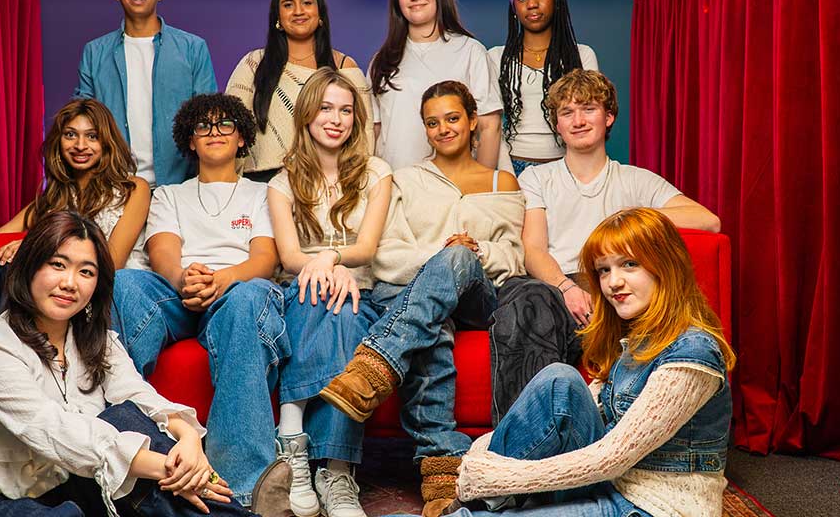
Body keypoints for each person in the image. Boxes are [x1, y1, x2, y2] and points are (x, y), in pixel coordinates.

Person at [319, 81, 560, 517]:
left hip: (481, 299)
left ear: (472, 123)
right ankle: (442, 469)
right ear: (424, 130)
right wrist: (440, 258)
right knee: (435, 318)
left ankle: (374, 367)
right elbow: (386, 254)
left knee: (456, 264)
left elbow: (514, 256)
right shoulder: (406, 180)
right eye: (432, 122)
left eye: (452, 118)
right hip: (424, 300)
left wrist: (474, 253)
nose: (443, 129)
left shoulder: (500, 180)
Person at [0, 210, 252, 517]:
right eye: (57, 264)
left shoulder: (96, 340)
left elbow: (135, 392)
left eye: (86, 271)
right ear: (28, 269)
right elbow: (57, 432)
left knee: (126, 417)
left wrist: (189, 440)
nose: (70, 283)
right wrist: (172, 467)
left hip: (67, 478)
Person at [452, 207, 736, 517]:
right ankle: (478, 503)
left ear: (667, 265)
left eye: (630, 265)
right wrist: (480, 456)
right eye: (604, 270)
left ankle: (476, 504)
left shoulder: (692, 351)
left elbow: (612, 457)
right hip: (613, 487)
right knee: (559, 380)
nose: (614, 282)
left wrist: (495, 477)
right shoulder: (634, 343)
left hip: (652, 508)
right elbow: (570, 409)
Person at [111, 93, 287, 509]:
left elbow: (265, 258)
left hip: (239, 290)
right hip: (179, 289)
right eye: (202, 126)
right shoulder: (171, 195)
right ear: (190, 141)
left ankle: (239, 491)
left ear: (242, 138)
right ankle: (124, 449)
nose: (213, 133)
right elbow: (163, 251)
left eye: (225, 125)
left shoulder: (261, 195)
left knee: (248, 299)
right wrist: (183, 278)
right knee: (123, 283)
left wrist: (223, 279)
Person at [266, 69, 393, 517]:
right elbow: (286, 255)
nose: (336, 119)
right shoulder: (281, 183)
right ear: (306, 115)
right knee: (317, 297)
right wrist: (321, 266)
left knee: (342, 308)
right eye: (325, 108)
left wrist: (330, 260)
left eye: (345, 110)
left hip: (363, 295)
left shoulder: (376, 172)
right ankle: (320, 461)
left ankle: (316, 456)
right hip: (302, 294)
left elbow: (367, 248)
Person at [519, 69, 720, 349]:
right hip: (556, 287)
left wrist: (627, 220)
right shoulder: (536, 177)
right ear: (557, 125)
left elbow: (708, 221)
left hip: (613, 286)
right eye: (567, 113)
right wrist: (566, 289)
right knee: (529, 304)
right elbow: (533, 250)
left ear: (608, 116)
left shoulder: (636, 179)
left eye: (588, 109)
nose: (578, 121)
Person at [0, 98, 150, 269]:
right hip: (61, 297)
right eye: (70, 135)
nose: (80, 145)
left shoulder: (134, 189)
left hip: (117, 293)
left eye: (92, 136)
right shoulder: (51, 200)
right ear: (59, 141)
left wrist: (37, 249)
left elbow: (112, 262)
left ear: (106, 142)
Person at [74, 0, 217, 187]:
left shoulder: (193, 48)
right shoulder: (94, 53)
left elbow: (208, 121)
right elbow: (81, 121)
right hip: (113, 186)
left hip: (180, 187)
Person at [225, 0, 373, 182]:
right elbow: (231, 125)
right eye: (288, 4)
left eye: (306, 2)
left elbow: (363, 139)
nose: (298, 11)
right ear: (277, 16)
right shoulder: (254, 63)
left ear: (319, 11)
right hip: (259, 188)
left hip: (327, 187)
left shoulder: (344, 68)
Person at [367, 0, 505, 171]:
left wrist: (479, 189)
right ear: (397, 1)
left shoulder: (470, 51)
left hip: (455, 188)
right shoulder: (381, 61)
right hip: (396, 186)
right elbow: (372, 131)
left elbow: (489, 127)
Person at [488, 0, 598, 176]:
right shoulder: (496, 58)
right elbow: (491, 126)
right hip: (514, 164)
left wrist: (579, 170)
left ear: (556, 1)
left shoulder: (582, 56)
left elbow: (592, 121)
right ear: (514, 9)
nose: (532, 4)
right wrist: (508, 174)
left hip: (568, 164)